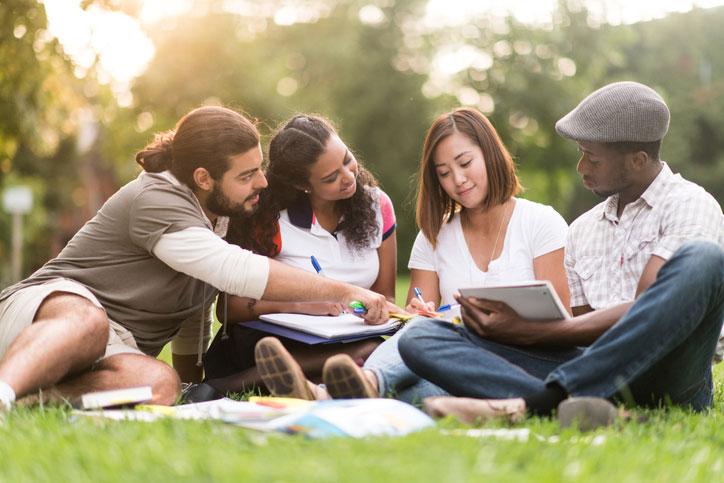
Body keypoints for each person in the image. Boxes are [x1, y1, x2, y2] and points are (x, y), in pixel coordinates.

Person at [0, 106, 389, 413]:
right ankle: (6, 390)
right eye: (248, 175)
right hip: (48, 312)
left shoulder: (217, 214)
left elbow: (194, 308)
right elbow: (236, 271)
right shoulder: (156, 200)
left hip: (114, 345)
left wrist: (191, 380)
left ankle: (31, 401)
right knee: (87, 321)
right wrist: (347, 292)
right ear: (204, 178)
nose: (263, 183)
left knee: (161, 387)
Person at [397, 81, 724, 428]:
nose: (582, 167)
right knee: (421, 337)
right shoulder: (583, 229)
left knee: (705, 258)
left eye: (592, 158)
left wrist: (530, 333)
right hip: (595, 374)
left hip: (671, 374)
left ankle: (538, 404)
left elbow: (647, 313)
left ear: (637, 160)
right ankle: (602, 413)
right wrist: (506, 330)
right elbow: (581, 332)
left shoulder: (691, 205)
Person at [253, 107, 571, 404]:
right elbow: (414, 319)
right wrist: (420, 311)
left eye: (465, 163)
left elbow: (562, 325)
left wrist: (491, 329)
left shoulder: (541, 223)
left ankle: (342, 390)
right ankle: (349, 392)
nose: (458, 180)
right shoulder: (434, 236)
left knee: (425, 352)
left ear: (490, 154)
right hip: (459, 361)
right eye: (444, 173)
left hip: (527, 357)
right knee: (422, 356)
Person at [199, 114, 397, 396]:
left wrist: (379, 312)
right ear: (303, 185)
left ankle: (284, 380)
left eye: (347, 159)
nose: (349, 176)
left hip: (346, 336)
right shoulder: (268, 218)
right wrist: (301, 303)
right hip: (275, 338)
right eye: (330, 178)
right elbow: (230, 309)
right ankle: (267, 376)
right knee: (370, 351)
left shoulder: (378, 205)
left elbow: (386, 297)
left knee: (380, 345)